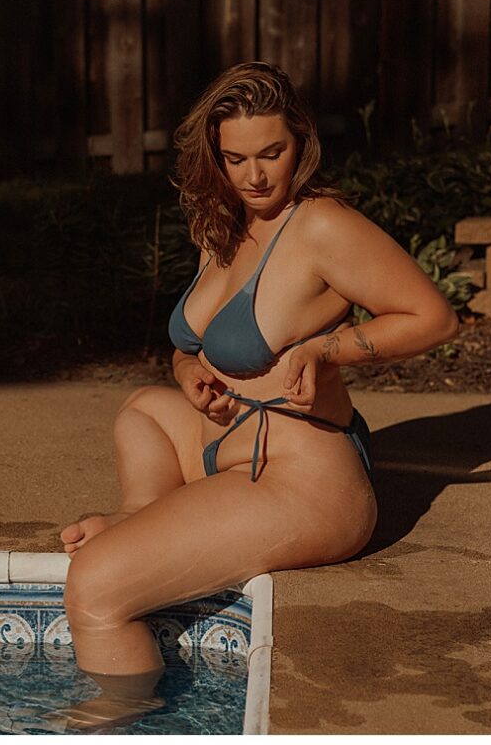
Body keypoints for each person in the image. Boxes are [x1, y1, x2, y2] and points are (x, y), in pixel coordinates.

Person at [57, 61, 458, 727]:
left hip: (299, 483)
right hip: (224, 444)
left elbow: (431, 317)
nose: (256, 175)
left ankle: (118, 720)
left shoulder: (321, 225)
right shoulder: (230, 226)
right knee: (143, 407)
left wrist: (327, 348)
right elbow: (190, 343)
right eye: (236, 158)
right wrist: (187, 373)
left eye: (271, 152)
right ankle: (144, 516)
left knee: (95, 587)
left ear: (300, 140)